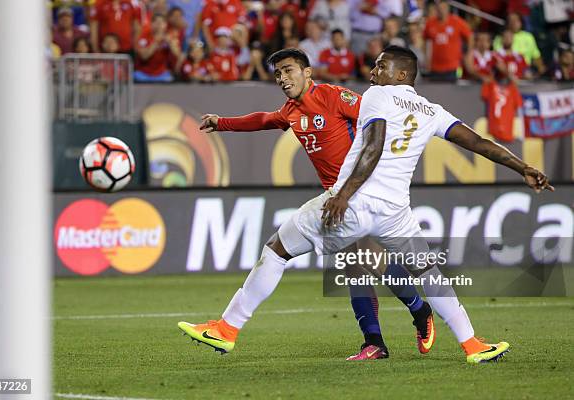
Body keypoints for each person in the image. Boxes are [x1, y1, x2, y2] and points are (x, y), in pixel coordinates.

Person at [180, 46, 555, 364]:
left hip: (353, 200)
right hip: (395, 210)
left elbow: (373, 144)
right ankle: (471, 344)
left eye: (380, 66)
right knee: (426, 273)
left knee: (277, 250)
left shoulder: (370, 96)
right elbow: (477, 142)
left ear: (401, 72)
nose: (372, 72)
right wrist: (523, 167)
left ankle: (226, 329)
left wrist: (343, 195)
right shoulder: (431, 110)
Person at [180, 48, 435, 361]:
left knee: (353, 263)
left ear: (307, 72)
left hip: (365, 193)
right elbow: (263, 119)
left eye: (288, 70)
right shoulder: (290, 111)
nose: (283, 79)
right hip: (337, 198)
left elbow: (381, 120)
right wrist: (222, 123)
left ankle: (384, 336)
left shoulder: (334, 96)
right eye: (278, 74)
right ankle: (413, 316)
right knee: (365, 263)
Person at [423, 0, 472, 82]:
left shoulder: (457, 22)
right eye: (439, 8)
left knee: (451, 91)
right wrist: (426, 58)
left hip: (453, 66)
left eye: (444, 7)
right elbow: (425, 40)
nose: (441, 10)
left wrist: (468, 53)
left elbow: (470, 36)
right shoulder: (430, 23)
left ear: (448, 8)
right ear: (436, 9)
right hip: (434, 67)